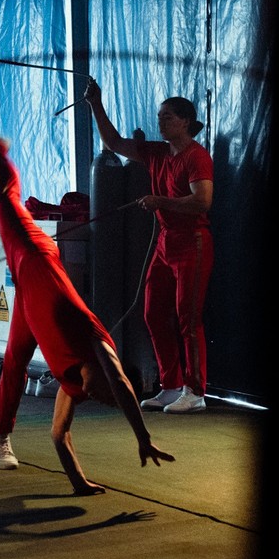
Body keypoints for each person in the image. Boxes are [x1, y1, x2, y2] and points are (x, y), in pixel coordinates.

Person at [0, 124, 174, 495]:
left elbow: (60, 436)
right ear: (110, 376)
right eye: (109, 395)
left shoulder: (74, 387)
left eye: (101, 400)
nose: (101, 399)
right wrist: (143, 436)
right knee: (6, 197)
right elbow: (121, 384)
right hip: (34, 252)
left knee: (14, 363)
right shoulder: (96, 342)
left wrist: (80, 485)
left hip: (30, 298)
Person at [84, 78, 213, 414]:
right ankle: (171, 386)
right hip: (165, 243)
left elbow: (203, 202)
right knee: (153, 313)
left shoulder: (196, 157)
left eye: (168, 117)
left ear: (186, 121)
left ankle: (195, 392)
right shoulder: (155, 152)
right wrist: (96, 104)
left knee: (188, 317)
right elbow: (112, 141)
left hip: (192, 244)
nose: (161, 121)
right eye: (160, 116)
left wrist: (161, 201)